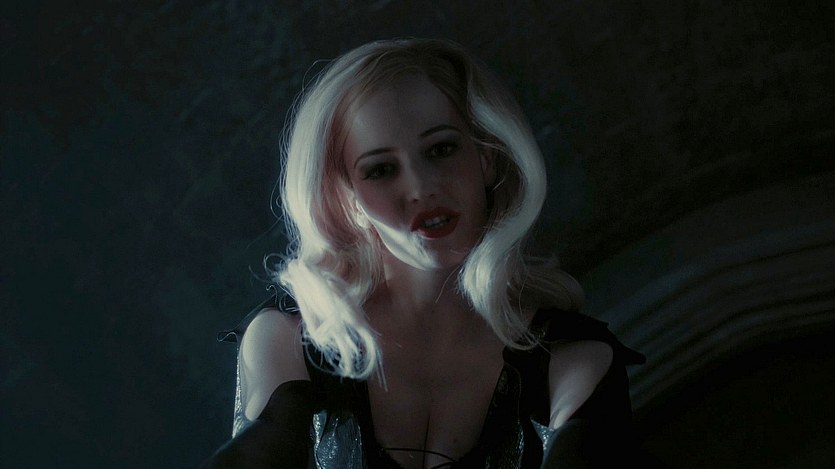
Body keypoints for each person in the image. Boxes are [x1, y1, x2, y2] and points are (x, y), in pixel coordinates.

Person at [200, 38, 645, 469]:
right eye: (381, 169)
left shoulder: (573, 358)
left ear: (487, 157)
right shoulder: (288, 339)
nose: (422, 187)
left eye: (441, 149)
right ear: (346, 198)